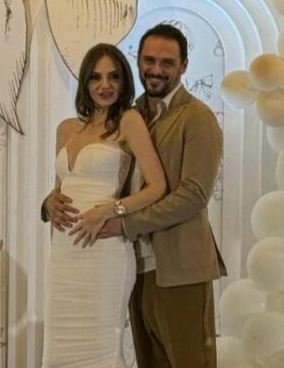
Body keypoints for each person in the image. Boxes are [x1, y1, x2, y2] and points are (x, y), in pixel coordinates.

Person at [46, 24, 227, 367]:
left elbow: (192, 196)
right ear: (138, 62)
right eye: (149, 60)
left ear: (184, 65)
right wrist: (49, 202)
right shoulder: (131, 114)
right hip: (134, 264)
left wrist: (123, 223)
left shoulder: (197, 118)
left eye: (167, 62)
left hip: (179, 266)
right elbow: (91, 178)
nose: (156, 69)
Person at [41, 43, 166, 367]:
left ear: (124, 81)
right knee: (58, 348)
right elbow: (61, 187)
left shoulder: (129, 121)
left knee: (100, 349)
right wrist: (49, 201)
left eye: (113, 76)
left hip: (104, 250)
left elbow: (157, 186)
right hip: (64, 254)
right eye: (96, 77)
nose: (105, 85)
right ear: (85, 82)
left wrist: (111, 210)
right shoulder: (66, 129)